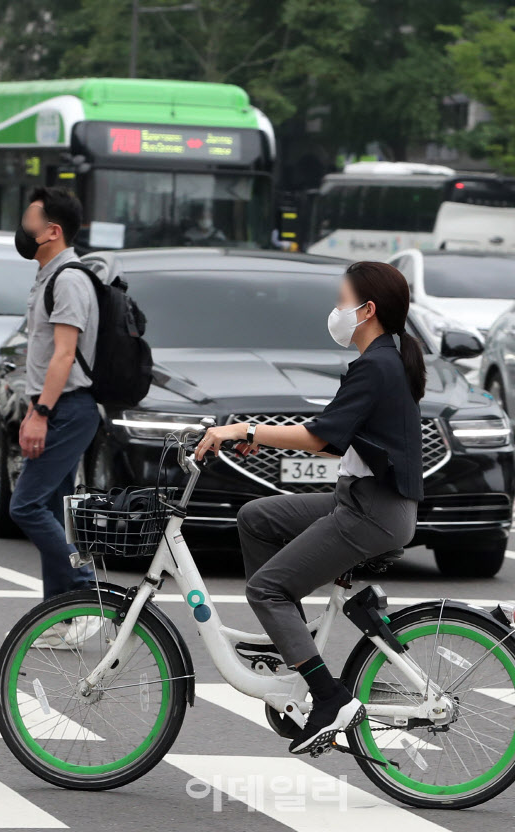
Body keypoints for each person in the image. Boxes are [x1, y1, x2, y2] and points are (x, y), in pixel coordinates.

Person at [194, 260, 425, 755]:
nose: (336, 311)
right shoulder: (383, 360)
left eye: (342, 302)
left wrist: (245, 430)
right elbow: (336, 439)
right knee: (256, 518)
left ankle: (328, 698)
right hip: (362, 500)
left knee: (266, 589)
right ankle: (293, 652)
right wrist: (264, 438)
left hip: (373, 513)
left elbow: (321, 433)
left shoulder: (378, 366)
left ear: (367, 310)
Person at [9, 187, 101, 649]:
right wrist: (32, 407)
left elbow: (65, 354)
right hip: (54, 406)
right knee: (53, 510)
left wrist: (41, 413)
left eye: (29, 220)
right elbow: (45, 358)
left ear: (52, 230)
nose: (22, 228)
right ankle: (64, 617)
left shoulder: (69, 279)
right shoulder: (48, 276)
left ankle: (86, 595)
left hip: (69, 409)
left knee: (25, 505)